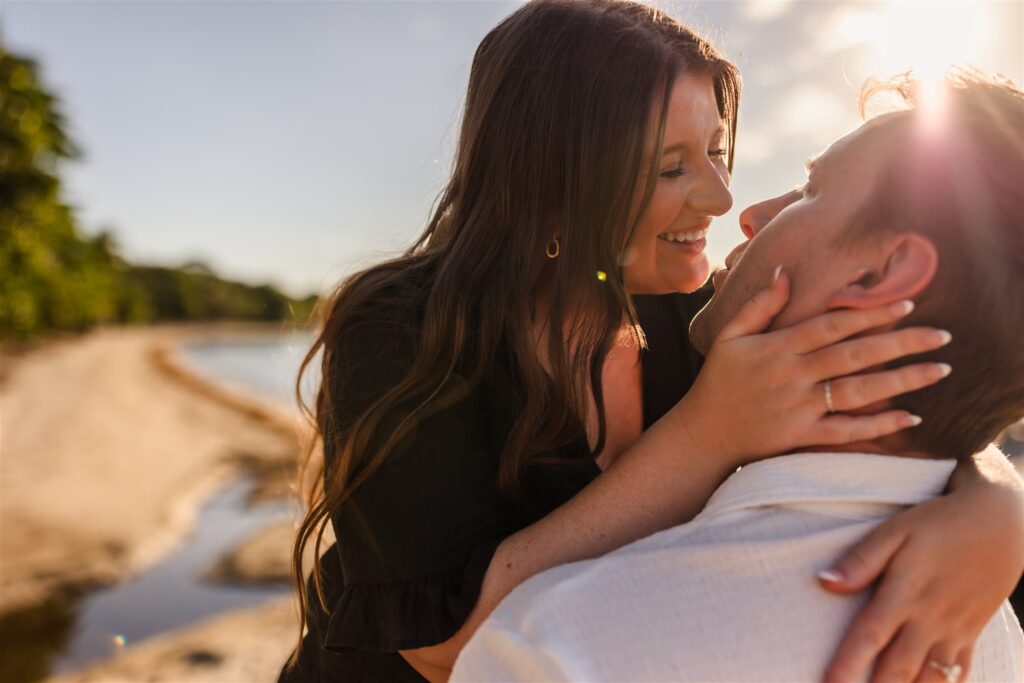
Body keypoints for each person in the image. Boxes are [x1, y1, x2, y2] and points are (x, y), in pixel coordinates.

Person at [278, 2, 1024, 682]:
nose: (723, 197)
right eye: (672, 167)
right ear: (551, 179)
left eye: (717, 151)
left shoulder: (691, 311)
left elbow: (926, 385)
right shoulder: (404, 327)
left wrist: (996, 511)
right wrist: (708, 434)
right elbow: (446, 647)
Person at [451, 69, 1024, 683]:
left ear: (879, 275)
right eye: (671, 167)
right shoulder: (987, 626)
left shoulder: (558, 650)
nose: (741, 210)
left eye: (809, 190)